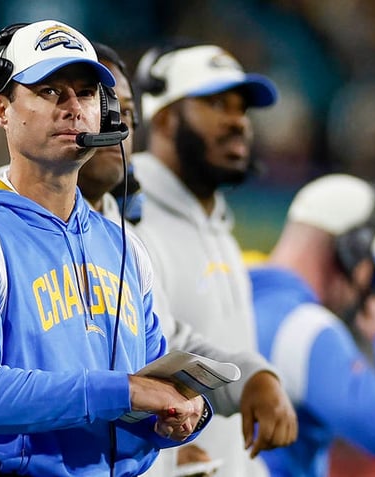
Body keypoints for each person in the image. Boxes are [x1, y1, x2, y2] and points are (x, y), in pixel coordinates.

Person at [0, 20, 214, 476]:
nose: (73, 108)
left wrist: (181, 413)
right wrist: (125, 391)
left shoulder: (122, 244)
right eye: (50, 91)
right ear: (1, 109)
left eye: (86, 93)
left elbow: (148, 387)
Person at [132, 43, 297, 476]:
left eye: (242, 109)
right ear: (164, 118)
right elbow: (132, 361)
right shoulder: (127, 223)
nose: (237, 122)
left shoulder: (217, 223)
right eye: (216, 104)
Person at [250, 174, 375, 476]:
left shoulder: (228, 297)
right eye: (371, 273)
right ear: (352, 250)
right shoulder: (304, 329)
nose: (365, 290)